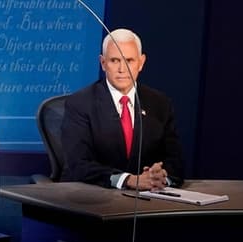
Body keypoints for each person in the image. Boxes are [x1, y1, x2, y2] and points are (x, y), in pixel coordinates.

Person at [60, 28, 185, 190]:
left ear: (141, 62)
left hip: (147, 197)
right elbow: (78, 164)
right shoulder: (80, 103)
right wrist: (128, 180)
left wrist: (161, 176)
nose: (122, 69)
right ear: (103, 63)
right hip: (92, 195)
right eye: (114, 60)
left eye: (129, 60)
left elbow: (175, 159)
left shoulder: (160, 103)